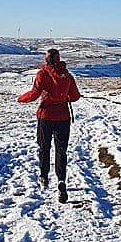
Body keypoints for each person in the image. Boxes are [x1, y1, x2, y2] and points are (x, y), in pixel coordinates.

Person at [18, 49, 81, 203]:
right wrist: (63, 96)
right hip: (63, 118)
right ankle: (61, 181)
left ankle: (44, 176)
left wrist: (21, 99)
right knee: (61, 150)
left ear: (46, 59)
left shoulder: (43, 74)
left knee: (44, 147)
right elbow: (75, 96)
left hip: (45, 117)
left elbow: (34, 94)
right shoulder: (67, 75)